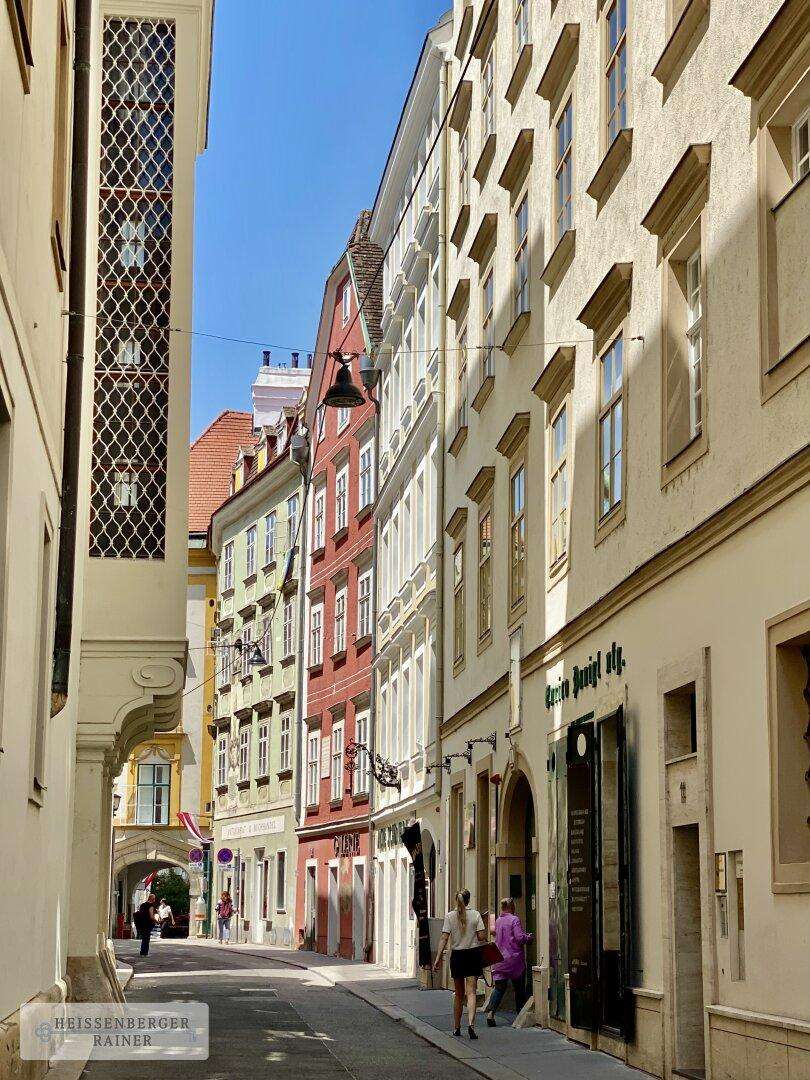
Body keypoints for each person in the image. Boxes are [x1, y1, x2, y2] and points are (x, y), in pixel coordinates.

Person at [433, 889, 487, 1039]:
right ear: (469, 900)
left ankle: (457, 1027)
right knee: (471, 992)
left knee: (458, 994)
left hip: (457, 956)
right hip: (472, 954)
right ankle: (471, 1024)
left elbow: (444, 938)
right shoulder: (475, 915)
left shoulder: (450, 916)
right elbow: (482, 936)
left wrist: (438, 957)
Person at [485, 898, 533, 1026]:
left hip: (499, 958)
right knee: (519, 988)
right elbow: (519, 937)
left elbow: (494, 933)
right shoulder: (514, 919)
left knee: (499, 988)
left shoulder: (498, 920)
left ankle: (491, 1013)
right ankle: (519, 1015)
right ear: (512, 907)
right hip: (513, 959)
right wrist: (528, 937)